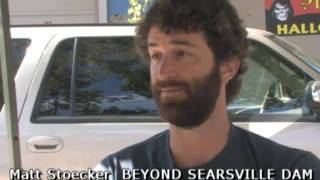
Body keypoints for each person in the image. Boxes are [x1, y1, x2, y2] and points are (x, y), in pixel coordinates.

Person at [96, 0, 320, 179]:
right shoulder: (114, 172)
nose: (163, 72)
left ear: (228, 67)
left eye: (182, 54)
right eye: (156, 55)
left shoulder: (292, 170)